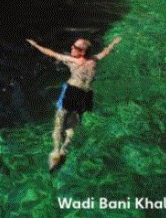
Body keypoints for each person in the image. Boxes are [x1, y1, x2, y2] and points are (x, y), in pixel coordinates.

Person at [26, 35, 122, 171]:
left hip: (71, 91)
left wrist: (36, 45)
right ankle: (65, 148)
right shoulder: (94, 60)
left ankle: (56, 151)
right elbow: (106, 52)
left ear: (82, 52)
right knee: (72, 124)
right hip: (86, 94)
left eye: (75, 47)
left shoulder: (72, 61)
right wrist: (113, 43)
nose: (71, 47)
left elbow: (51, 53)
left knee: (59, 121)